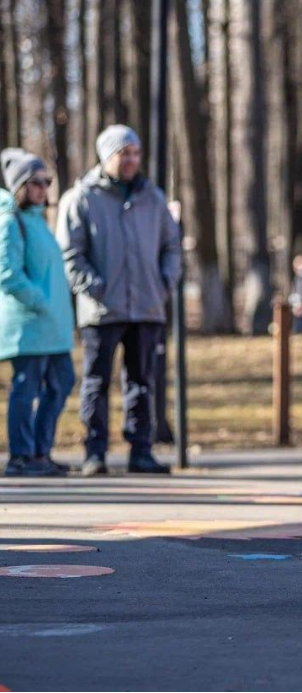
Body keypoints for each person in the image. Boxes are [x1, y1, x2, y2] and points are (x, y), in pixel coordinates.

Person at [57, 124, 182, 477]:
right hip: (101, 310)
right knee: (96, 381)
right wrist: (94, 286)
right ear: (106, 156)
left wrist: (163, 282)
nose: (131, 160)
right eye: (123, 153)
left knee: (142, 381)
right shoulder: (81, 197)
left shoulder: (152, 198)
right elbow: (69, 253)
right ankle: (94, 451)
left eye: (135, 153)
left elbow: (171, 246)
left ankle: (141, 450)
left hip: (146, 306)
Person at [0, 149, 75, 477]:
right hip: (29, 326)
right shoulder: (10, 221)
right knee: (26, 389)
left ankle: (40, 452)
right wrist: (40, 301)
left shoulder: (38, 221)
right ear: (20, 186)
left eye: (47, 181)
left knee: (61, 383)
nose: (44, 188)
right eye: (36, 182)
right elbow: (7, 272)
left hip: (53, 327)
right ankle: (21, 456)